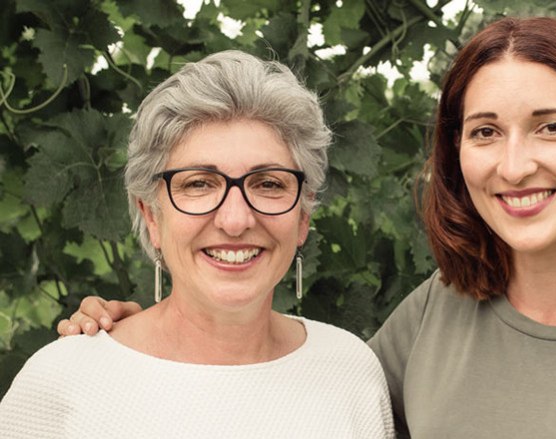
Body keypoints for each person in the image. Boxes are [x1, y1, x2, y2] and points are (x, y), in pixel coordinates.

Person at [53, 17, 556, 438]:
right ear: (457, 156)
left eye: (551, 127)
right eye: (485, 131)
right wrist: (134, 343)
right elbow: (289, 397)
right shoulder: (433, 315)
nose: (515, 164)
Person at [0, 50, 394, 438]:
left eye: (269, 183)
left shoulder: (351, 371)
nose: (236, 220)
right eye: (199, 184)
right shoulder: (61, 383)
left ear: (303, 217)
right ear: (152, 215)